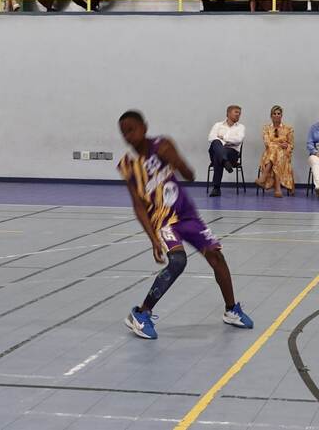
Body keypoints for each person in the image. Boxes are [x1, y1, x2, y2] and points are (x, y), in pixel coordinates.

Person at [118, 110, 253, 340]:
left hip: (186, 214)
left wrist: (176, 161)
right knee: (178, 261)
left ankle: (231, 309)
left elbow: (189, 175)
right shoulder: (128, 165)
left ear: (145, 127)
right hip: (163, 221)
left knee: (216, 256)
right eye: (124, 132)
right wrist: (152, 239)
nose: (128, 136)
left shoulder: (162, 145)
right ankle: (141, 313)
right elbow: (139, 206)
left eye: (132, 129)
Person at [255, 105, 294, 197]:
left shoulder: (289, 129)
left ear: (281, 115)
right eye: (274, 114)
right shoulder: (266, 128)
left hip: (284, 154)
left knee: (277, 153)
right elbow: (267, 143)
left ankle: (264, 177)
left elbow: (291, 145)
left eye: (278, 114)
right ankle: (277, 189)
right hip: (269, 154)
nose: (276, 115)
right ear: (271, 116)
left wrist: (287, 145)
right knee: (275, 152)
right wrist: (281, 144)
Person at [207, 105, 244, 197]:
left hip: (232, 154)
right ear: (228, 113)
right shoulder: (218, 125)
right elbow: (211, 137)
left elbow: (238, 140)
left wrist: (222, 138)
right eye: (236, 112)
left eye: (239, 113)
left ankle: (216, 188)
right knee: (215, 142)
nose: (238, 115)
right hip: (218, 151)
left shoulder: (241, 127)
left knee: (217, 156)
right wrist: (225, 141)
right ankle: (224, 161)